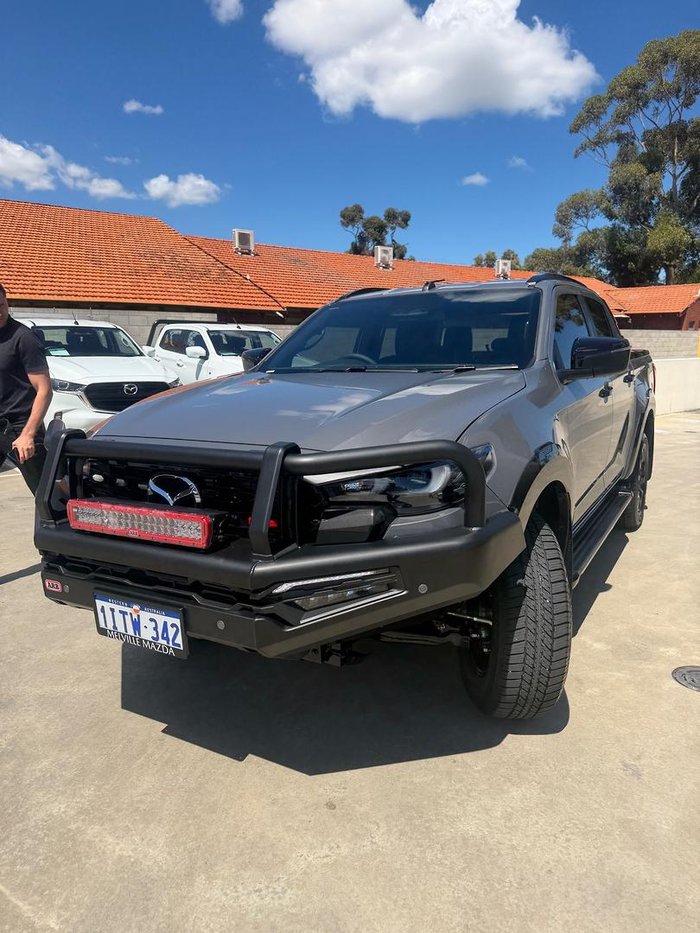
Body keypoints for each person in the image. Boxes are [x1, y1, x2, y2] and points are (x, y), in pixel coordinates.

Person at [0, 283, 53, 494]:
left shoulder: (23, 338)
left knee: (47, 494)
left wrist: (28, 434)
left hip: (21, 426)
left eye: (1, 304)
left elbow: (44, 390)